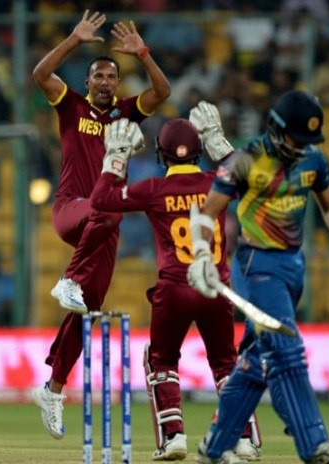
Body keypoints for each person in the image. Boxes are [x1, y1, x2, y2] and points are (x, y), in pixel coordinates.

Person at [187, 90, 329, 464]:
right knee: (287, 349)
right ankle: (314, 444)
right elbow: (208, 212)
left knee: (257, 361)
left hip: (292, 267)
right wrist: (202, 254)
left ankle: (215, 446)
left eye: (308, 141)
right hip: (256, 265)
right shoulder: (246, 161)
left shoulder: (312, 160)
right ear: (275, 128)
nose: (301, 147)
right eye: (296, 139)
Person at [29, 10, 170, 440]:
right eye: (99, 76)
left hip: (104, 228)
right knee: (111, 202)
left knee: (86, 313)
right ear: (88, 82)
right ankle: (69, 278)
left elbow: (162, 91)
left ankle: (52, 389)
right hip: (72, 210)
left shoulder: (127, 113)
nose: (106, 82)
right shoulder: (70, 105)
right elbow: (40, 73)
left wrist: (143, 53)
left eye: (112, 76)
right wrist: (73, 39)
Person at [90, 106, 260, 461]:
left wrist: (116, 158)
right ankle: (242, 438)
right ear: (199, 150)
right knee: (226, 364)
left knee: (161, 360)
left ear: (160, 154)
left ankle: (174, 437)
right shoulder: (218, 179)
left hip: (174, 289)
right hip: (215, 287)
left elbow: (101, 200)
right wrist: (220, 141)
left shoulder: (154, 188)